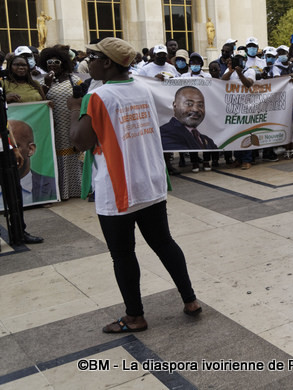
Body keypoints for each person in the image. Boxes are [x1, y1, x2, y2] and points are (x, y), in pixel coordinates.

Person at [67, 37, 201, 333]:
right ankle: (190, 300)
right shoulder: (142, 88)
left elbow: (81, 141)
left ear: (107, 63)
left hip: (118, 186)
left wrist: (75, 107)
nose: (88, 62)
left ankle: (135, 316)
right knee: (164, 242)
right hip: (150, 180)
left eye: (93, 57)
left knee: (123, 254)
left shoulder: (98, 96)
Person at [40, 46, 84, 199]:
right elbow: (40, 101)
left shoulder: (74, 80)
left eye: (56, 62)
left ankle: (79, 189)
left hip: (72, 122)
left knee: (76, 153)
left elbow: (83, 99)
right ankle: (62, 192)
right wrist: (46, 85)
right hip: (55, 126)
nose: (52, 65)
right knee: (59, 155)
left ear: (63, 63)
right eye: (49, 62)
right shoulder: (43, 82)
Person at [159, 86, 218, 151]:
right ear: (175, 106)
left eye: (200, 105)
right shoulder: (164, 134)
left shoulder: (208, 141)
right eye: (189, 104)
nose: (195, 109)